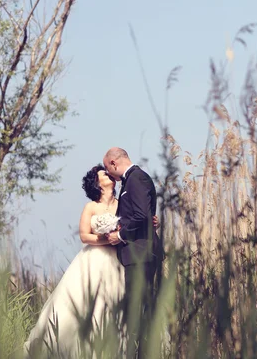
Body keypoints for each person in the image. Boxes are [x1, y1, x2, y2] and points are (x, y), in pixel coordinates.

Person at [24, 164, 159, 357]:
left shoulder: (122, 202)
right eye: (104, 173)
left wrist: (152, 221)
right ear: (97, 182)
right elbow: (84, 236)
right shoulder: (91, 207)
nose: (110, 175)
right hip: (94, 259)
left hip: (119, 260)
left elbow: (137, 219)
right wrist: (105, 239)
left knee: (113, 305)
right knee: (85, 303)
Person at [102, 147, 165, 358]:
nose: (109, 174)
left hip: (141, 254)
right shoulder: (130, 181)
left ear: (113, 163)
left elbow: (141, 215)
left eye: (107, 169)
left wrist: (119, 236)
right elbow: (141, 215)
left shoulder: (136, 179)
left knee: (139, 309)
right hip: (137, 254)